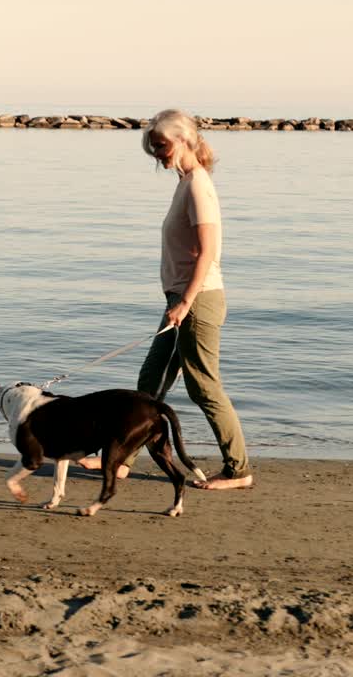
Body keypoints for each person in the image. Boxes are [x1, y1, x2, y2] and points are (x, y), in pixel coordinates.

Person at [78, 109, 253, 489]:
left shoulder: (197, 184)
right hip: (181, 297)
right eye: (153, 148)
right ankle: (122, 460)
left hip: (198, 299)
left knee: (203, 386)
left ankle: (238, 470)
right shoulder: (186, 181)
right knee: (151, 380)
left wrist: (186, 302)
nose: (158, 154)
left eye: (161, 145)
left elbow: (208, 253)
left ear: (184, 140)